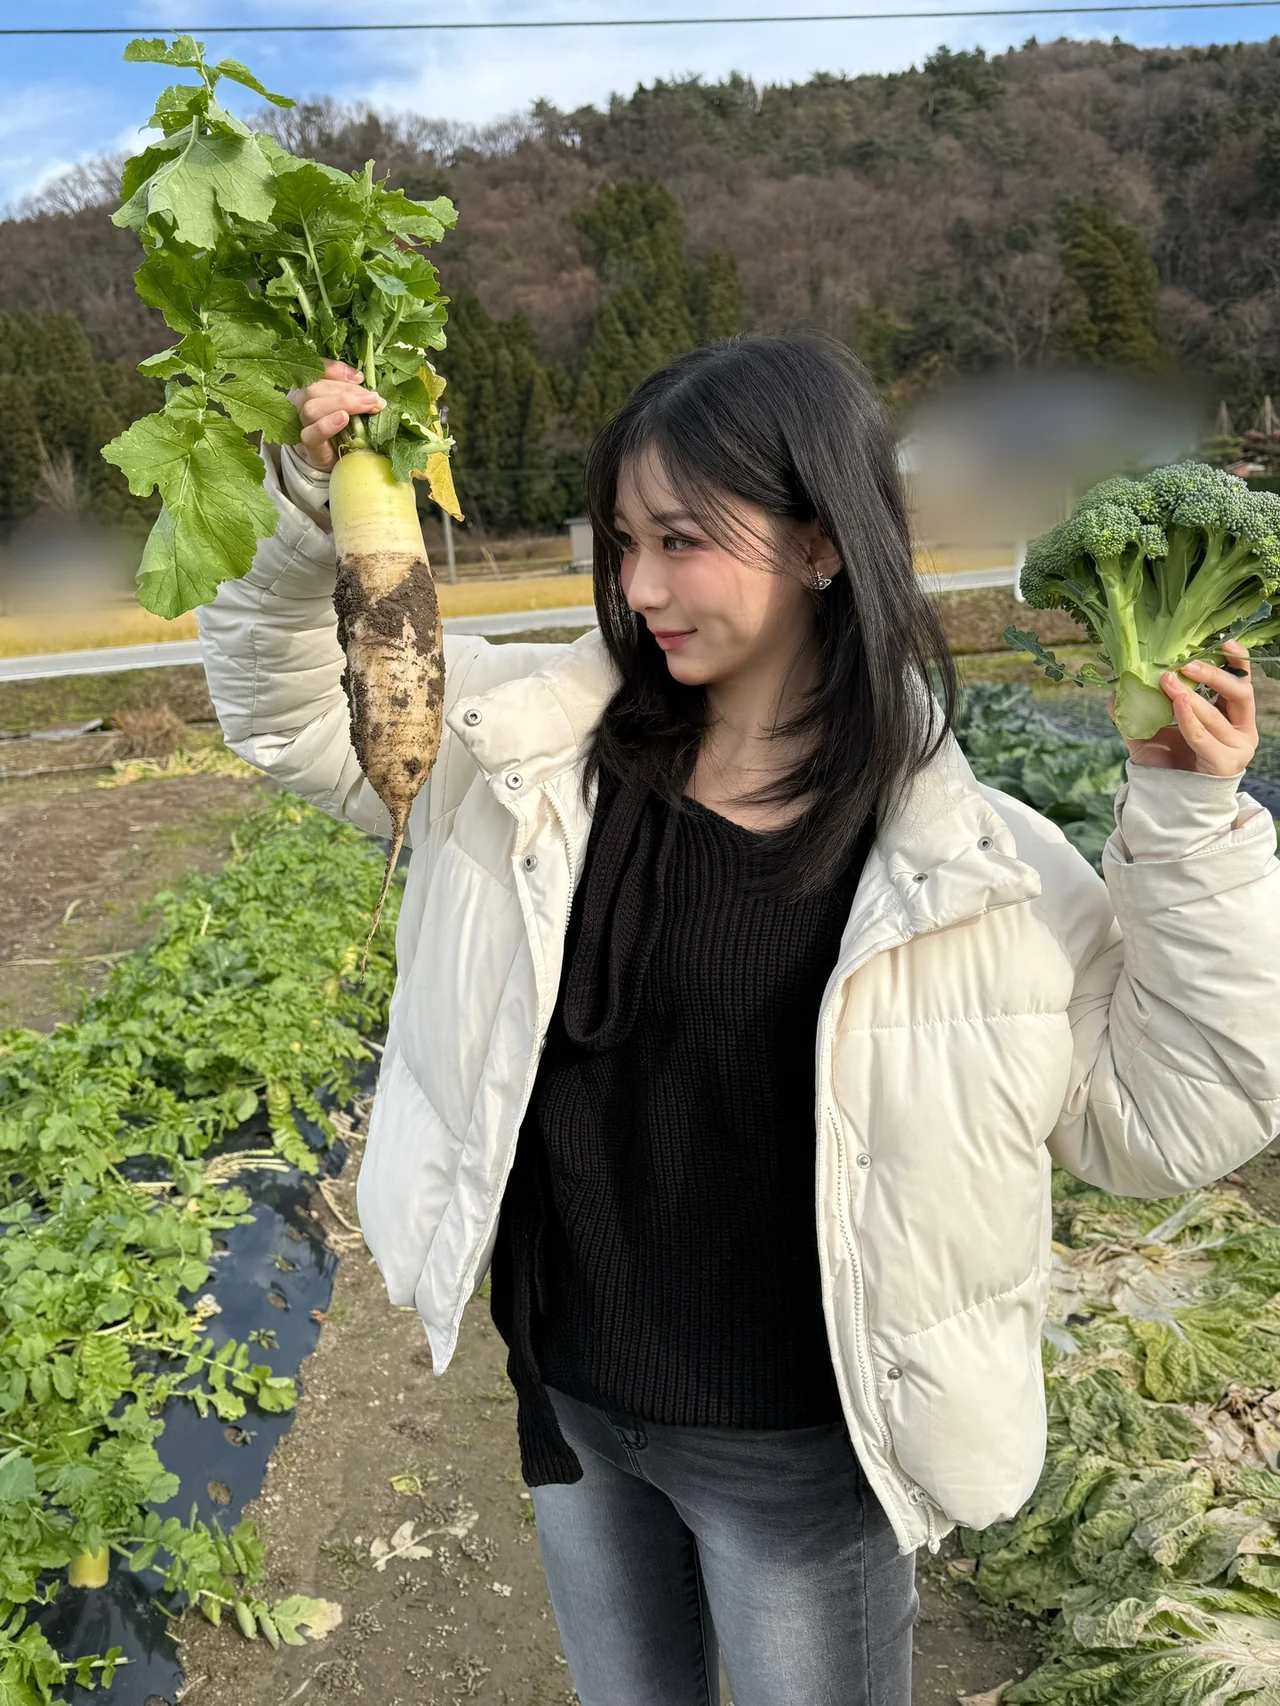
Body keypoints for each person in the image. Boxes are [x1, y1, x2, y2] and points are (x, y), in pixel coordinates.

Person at [196, 331, 1280, 1706]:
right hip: (575, 1403)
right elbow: (294, 710)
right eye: (624, 541)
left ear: (822, 540)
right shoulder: (528, 753)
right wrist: (322, 510)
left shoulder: (973, 869)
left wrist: (1186, 824)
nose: (640, 586)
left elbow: (1175, 1115)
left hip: (801, 1459)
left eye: (684, 540)